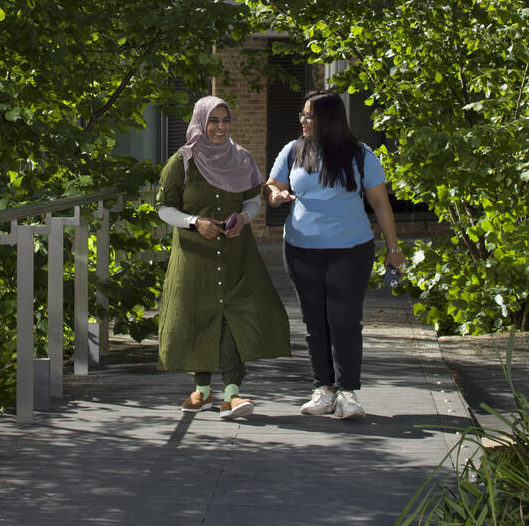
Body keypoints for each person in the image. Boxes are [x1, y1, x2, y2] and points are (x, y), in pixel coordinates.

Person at [264, 90, 406, 420]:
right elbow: (270, 185)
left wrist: (394, 249)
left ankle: (347, 393)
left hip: (351, 250)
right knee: (315, 322)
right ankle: (323, 390)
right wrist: (277, 195)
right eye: (302, 115)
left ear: (327, 119)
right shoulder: (294, 150)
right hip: (300, 250)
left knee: (344, 320)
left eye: (308, 116)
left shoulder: (361, 155)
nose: (302, 120)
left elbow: (381, 204)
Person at [155, 96, 290, 419]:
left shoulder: (242, 158)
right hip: (194, 255)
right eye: (213, 121)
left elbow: (251, 201)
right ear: (201, 122)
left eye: (225, 120)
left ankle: (233, 392)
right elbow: (163, 208)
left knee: (232, 315)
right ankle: (201, 388)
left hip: (236, 253)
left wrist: (243, 219)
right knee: (197, 315)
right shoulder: (182, 162)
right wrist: (195, 222)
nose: (220, 127)